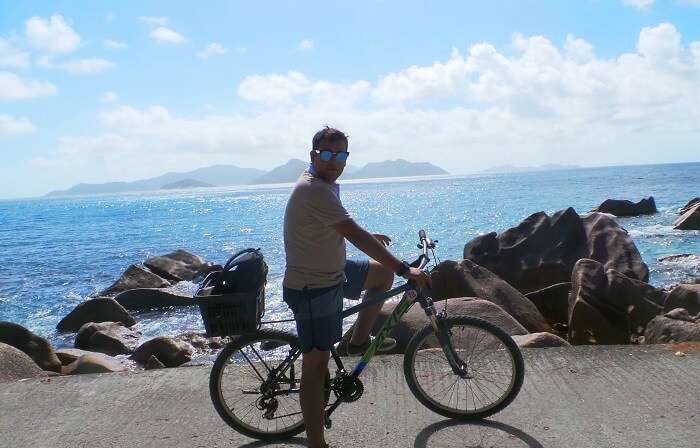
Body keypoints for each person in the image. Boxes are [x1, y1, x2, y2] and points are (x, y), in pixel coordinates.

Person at [282, 126, 431, 448]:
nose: (334, 161)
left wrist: (367, 238)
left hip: (333, 271)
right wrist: (405, 268)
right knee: (316, 363)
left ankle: (359, 341)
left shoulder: (322, 183)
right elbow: (353, 233)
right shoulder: (315, 189)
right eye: (327, 154)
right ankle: (316, 443)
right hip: (313, 286)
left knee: (381, 276)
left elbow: (336, 225)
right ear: (313, 156)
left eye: (341, 155)